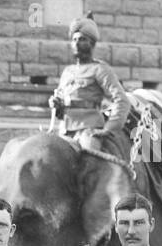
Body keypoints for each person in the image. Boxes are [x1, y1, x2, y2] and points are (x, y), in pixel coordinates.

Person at [48, 13, 131, 158]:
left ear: (92, 44)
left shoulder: (100, 70)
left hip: (88, 131)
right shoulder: (67, 72)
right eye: (74, 40)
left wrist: (108, 129)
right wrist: (56, 104)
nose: (77, 43)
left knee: (90, 163)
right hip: (65, 131)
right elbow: (62, 106)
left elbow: (122, 100)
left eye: (82, 39)